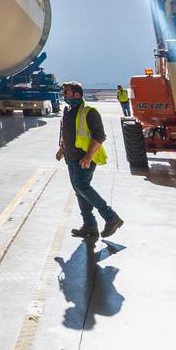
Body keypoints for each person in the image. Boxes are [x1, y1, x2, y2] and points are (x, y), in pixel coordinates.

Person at [56, 81, 122, 238]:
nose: (63, 95)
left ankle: (111, 217)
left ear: (77, 94)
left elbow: (100, 136)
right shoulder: (68, 110)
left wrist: (88, 156)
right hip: (71, 157)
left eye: (66, 92)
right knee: (79, 191)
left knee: (81, 186)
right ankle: (90, 226)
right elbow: (68, 133)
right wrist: (62, 149)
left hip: (84, 158)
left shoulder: (90, 112)